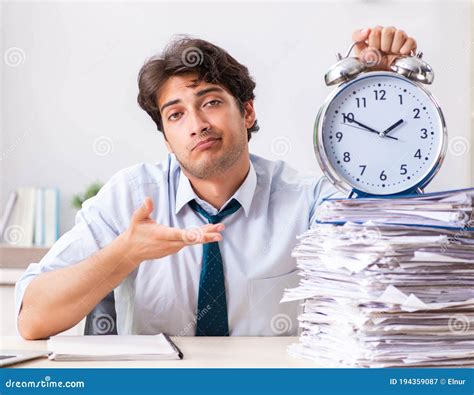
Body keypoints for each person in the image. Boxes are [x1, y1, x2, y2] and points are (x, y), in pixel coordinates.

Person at [15, 26, 417, 339]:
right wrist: (125, 254)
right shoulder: (132, 197)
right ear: (166, 139)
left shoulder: (306, 201)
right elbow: (33, 319)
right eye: (175, 115)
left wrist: (382, 94)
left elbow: (394, 264)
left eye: (210, 102)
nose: (198, 125)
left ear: (246, 112)